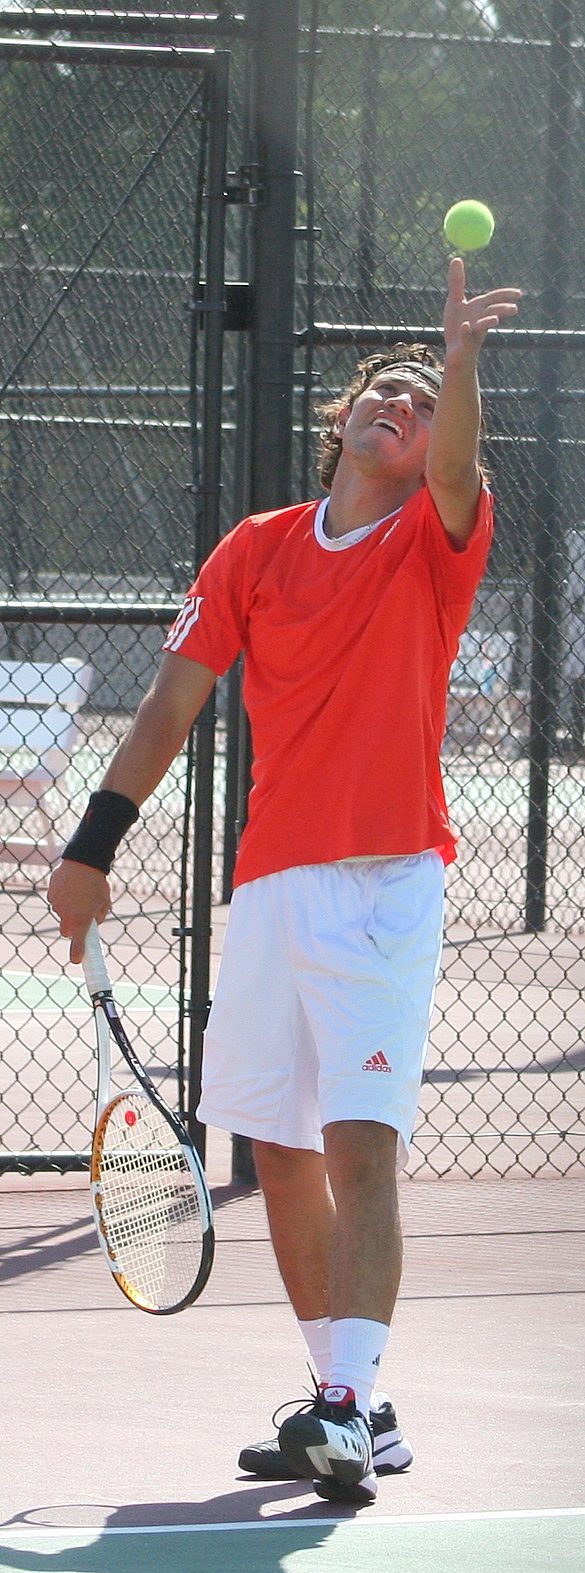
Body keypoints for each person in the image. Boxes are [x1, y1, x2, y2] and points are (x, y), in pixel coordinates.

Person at [48, 257, 521, 1506]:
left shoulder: (436, 540)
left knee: (362, 1145)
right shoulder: (255, 552)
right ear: (344, 417)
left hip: (384, 882)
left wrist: (460, 367)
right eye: (388, 390)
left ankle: (348, 1408)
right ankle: (348, 1404)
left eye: (425, 404)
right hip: (269, 886)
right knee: (278, 1147)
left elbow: (461, 468)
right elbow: (170, 704)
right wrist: (91, 847)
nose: (404, 406)